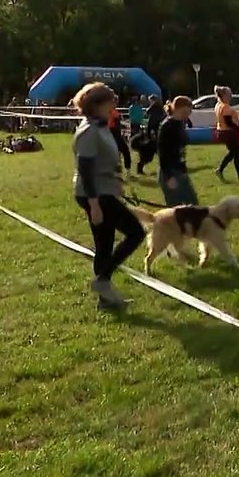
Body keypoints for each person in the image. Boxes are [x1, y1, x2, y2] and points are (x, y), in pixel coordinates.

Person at [71, 82, 145, 311]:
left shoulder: (101, 126)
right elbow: (85, 168)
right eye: (111, 100)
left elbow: (107, 162)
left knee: (104, 245)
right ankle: (102, 280)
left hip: (106, 189)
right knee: (136, 232)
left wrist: (117, 186)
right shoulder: (90, 131)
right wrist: (94, 205)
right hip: (95, 193)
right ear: (98, 105)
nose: (115, 103)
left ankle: (105, 300)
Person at [157, 96, 199, 205]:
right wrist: (169, 176)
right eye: (190, 108)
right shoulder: (167, 125)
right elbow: (162, 152)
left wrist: (183, 169)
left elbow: (180, 149)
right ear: (181, 108)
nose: (191, 111)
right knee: (177, 210)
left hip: (179, 169)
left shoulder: (181, 123)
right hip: (170, 172)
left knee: (192, 204)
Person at [214, 85, 239, 180]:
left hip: (222, 131)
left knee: (235, 152)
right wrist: (238, 128)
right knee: (234, 152)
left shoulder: (218, 105)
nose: (231, 96)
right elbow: (228, 122)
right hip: (229, 132)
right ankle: (221, 169)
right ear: (224, 95)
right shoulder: (225, 107)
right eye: (229, 94)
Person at [107, 103, 132, 174]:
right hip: (114, 132)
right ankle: (126, 170)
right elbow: (117, 123)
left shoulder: (106, 111)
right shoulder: (113, 112)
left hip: (109, 131)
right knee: (125, 151)